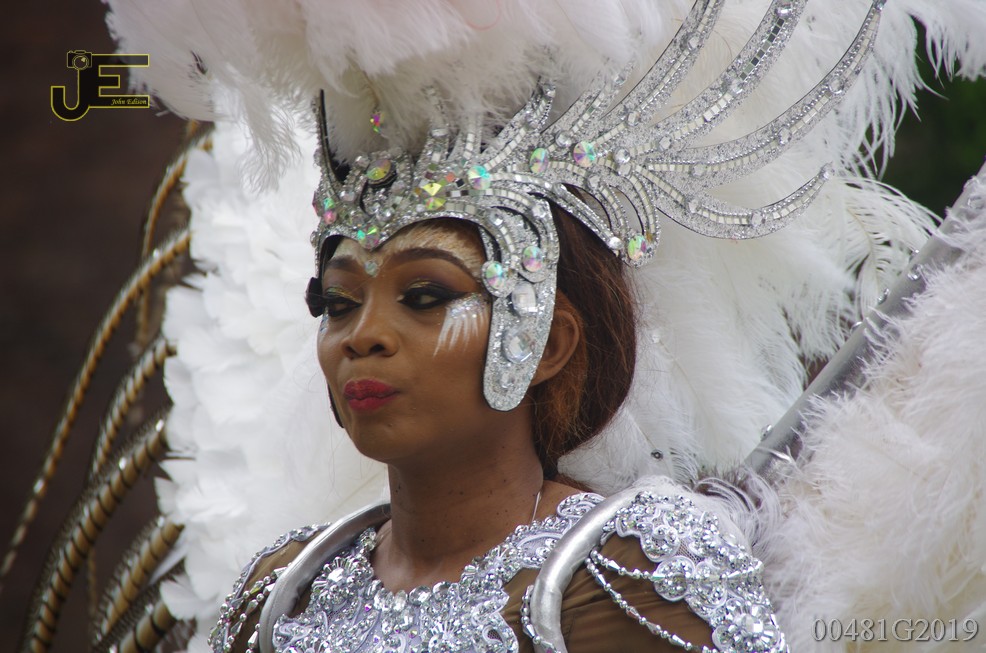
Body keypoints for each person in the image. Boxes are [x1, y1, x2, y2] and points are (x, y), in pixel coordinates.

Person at [86, 1, 986, 652]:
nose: (363, 335)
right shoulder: (280, 595)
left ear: (548, 340)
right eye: (337, 301)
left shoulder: (628, 575)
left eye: (425, 295)